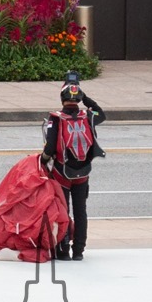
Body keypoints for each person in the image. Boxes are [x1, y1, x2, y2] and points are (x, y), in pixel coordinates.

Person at [43, 76, 106, 261]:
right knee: (81, 211)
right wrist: (84, 97)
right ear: (79, 98)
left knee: (63, 210)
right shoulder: (88, 116)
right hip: (83, 173)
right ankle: (79, 250)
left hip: (62, 173)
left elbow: (50, 148)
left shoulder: (55, 118)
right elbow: (102, 114)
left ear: (62, 99)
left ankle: (63, 250)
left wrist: (42, 160)